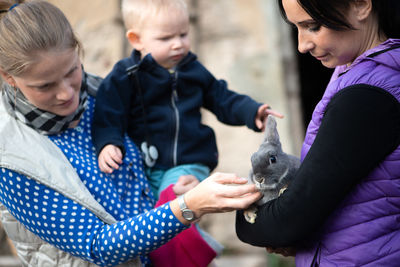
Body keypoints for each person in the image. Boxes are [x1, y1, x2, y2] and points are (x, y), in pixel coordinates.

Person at [0, 1, 262, 266]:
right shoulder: (11, 158)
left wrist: (176, 189)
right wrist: (187, 207)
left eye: (72, 71)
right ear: (8, 77)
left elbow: (147, 169)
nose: (67, 93)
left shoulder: (101, 95)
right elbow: (97, 246)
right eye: (45, 86)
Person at [236, 0, 400, 266]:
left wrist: (244, 212)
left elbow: (290, 220)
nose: (302, 45)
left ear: (361, 5)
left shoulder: (366, 98)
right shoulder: (355, 73)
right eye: (296, 28)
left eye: (312, 26)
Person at [91, 0, 283, 198]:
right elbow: (108, 112)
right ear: (136, 39)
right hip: (143, 166)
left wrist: (251, 111)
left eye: (183, 34)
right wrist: (108, 143)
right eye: (165, 38)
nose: (178, 44)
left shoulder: (193, 70)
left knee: (175, 201)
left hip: (189, 162)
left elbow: (221, 97)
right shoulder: (126, 75)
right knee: (159, 221)